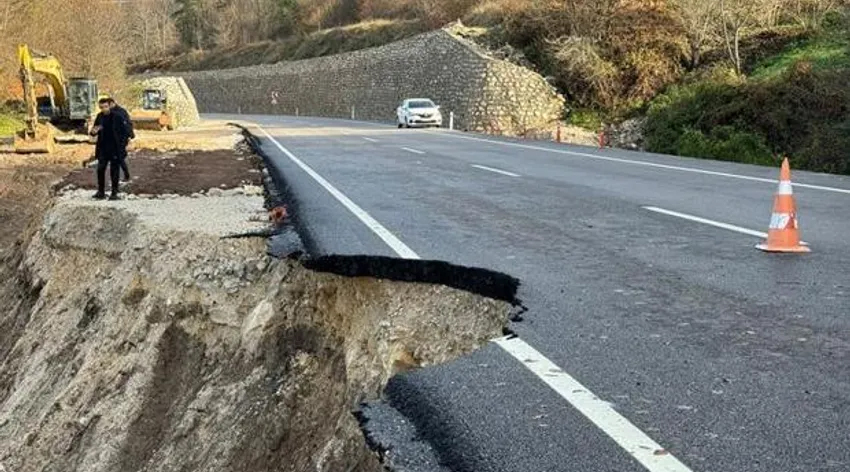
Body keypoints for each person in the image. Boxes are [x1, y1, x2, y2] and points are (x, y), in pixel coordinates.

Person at [90, 98, 133, 200]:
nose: (104, 109)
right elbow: (94, 130)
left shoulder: (117, 116)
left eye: (105, 107)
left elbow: (125, 131)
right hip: (103, 148)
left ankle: (114, 193)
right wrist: (94, 131)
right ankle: (101, 192)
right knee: (100, 169)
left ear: (109, 106)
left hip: (115, 147)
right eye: (101, 107)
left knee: (114, 170)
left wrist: (123, 145)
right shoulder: (99, 117)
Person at [109, 100, 135, 181]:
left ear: (112, 103)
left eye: (108, 105)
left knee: (119, 157)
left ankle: (126, 175)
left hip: (121, 139)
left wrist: (130, 135)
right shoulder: (110, 112)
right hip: (113, 139)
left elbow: (127, 124)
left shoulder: (120, 112)